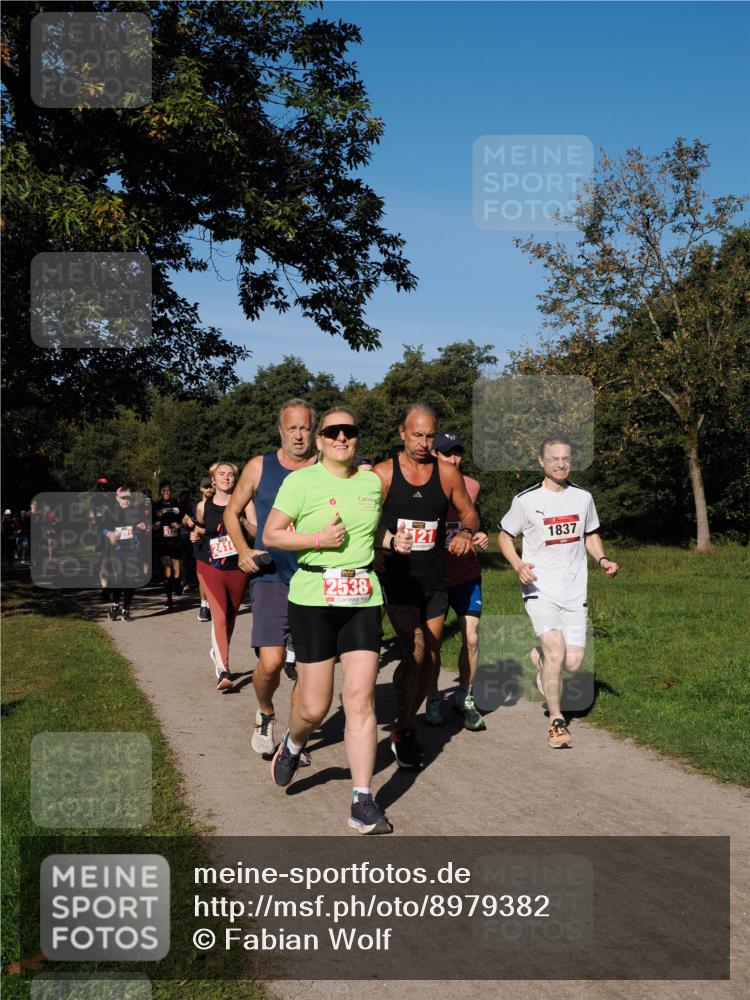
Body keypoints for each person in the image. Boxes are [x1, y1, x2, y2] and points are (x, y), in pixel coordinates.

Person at [262, 406, 412, 833]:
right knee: (314, 706)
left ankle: (362, 801)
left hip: (362, 595)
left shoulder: (369, 482)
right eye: (332, 432)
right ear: (321, 439)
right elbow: (272, 534)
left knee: (360, 700)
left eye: (349, 431)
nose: (341, 438)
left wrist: (392, 540)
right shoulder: (301, 481)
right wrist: (316, 539)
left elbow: (369, 531)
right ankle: (293, 743)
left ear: (357, 437)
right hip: (312, 595)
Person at [373, 404, 479, 769]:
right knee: (415, 651)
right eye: (416, 435)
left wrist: (466, 533)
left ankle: (403, 727)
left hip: (434, 580)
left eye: (430, 436)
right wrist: (381, 545)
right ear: (402, 432)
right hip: (398, 581)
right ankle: (403, 726)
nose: (423, 442)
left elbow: (469, 513)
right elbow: (364, 522)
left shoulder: (447, 474)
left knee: (430, 658)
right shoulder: (382, 474)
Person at [498, 434, 619, 748]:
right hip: (538, 587)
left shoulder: (583, 498)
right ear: (542, 462)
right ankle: (556, 721)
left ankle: (540, 659)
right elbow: (503, 536)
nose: (561, 463)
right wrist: (517, 565)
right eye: (554, 459)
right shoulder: (526, 500)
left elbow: (590, 534)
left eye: (566, 458)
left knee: (573, 662)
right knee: (557, 651)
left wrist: (602, 559)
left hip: (574, 589)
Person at [225, 399, 317, 757]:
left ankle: (293, 740)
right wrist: (243, 550)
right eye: (291, 428)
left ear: (313, 430)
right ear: (281, 431)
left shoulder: (326, 469)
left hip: (312, 579)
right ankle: (265, 712)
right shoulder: (259, 466)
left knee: (308, 668)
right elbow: (232, 512)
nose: (298, 435)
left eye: (305, 428)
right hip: (271, 576)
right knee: (272, 662)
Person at [425, 431, 489, 731]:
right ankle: (433, 696)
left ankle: (464, 696)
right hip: (434, 575)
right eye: (447, 452)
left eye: (458, 452)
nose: (454, 458)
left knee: (471, 637)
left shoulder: (472, 486)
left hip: (466, 573)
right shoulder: (422, 484)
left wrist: (479, 534)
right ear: (435, 454)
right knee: (433, 643)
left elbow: (473, 520)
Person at [191, 463, 250, 691]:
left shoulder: (245, 503)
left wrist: (243, 520)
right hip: (211, 564)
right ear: (213, 481)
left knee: (231, 616)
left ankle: (217, 652)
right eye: (221, 474)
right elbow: (200, 528)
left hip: (238, 567)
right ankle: (224, 670)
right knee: (221, 615)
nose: (226, 478)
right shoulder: (203, 506)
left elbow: (254, 530)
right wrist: (194, 536)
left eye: (231, 474)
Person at [102, 487, 147, 621]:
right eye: (123, 498)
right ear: (117, 498)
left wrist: (143, 526)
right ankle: (115, 606)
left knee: (131, 580)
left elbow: (141, 524)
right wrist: (109, 534)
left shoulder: (134, 511)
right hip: (117, 550)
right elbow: (101, 527)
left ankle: (126, 609)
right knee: (119, 579)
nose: (126, 500)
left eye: (128, 498)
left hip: (132, 549)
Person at [152, 481, 186, 609]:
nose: (166, 493)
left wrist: (181, 525)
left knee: (177, 572)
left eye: (168, 490)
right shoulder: (156, 506)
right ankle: (169, 598)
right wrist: (156, 525)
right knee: (167, 570)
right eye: (164, 490)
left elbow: (185, 518)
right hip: (162, 541)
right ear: (160, 492)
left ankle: (177, 584)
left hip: (175, 540)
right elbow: (151, 522)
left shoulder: (177, 504)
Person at [186, 477, 214, 622]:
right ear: (201, 489)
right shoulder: (195, 505)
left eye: (211, 487)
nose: (209, 489)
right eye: (206, 487)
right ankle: (204, 606)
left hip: (216, 544)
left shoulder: (219, 503)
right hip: (201, 545)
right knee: (203, 576)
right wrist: (189, 523)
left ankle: (215, 604)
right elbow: (185, 519)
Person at [89, 477, 113, 600]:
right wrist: (94, 522)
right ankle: (105, 588)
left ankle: (109, 586)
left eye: (105, 486)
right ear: (98, 486)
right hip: (99, 532)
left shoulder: (111, 498)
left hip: (111, 532)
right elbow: (91, 515)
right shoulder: (94, 499)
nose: (103, 488)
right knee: (103, 561)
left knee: (110, 560)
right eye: (101, 486)